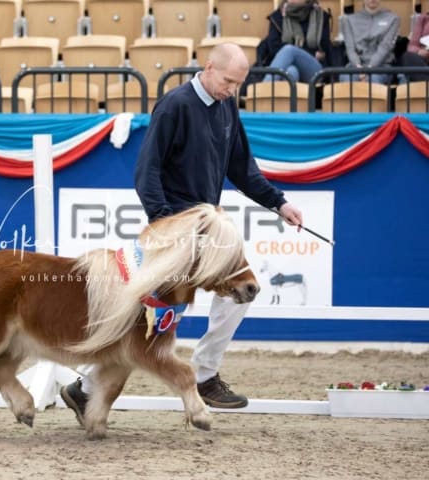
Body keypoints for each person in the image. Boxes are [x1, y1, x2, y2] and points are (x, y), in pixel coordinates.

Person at [60, 43, 303, 423]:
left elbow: (241, 168)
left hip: (206, 228)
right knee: (149, 313)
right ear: (208, 69)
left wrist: (279, 203)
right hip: (174, 227)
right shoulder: (175, 105)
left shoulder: (227, 107)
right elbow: (147, 171)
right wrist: (166, 226)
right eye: (228, 81)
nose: (232, 90)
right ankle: (94, 388)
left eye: (238, 84)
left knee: (240, 290)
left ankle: (197, 375)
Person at [262, 0, 332, 84]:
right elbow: (274, 48)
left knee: (289, 50)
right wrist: (309, 52)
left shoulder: (321, 16)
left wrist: (296, 52)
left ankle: (262, 90)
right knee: (291, 72)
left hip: (314, 69)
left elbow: (324, 47)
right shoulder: (278, 16)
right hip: (287, 65)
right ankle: (281, 96)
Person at [340, 0, 400, 84]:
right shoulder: (348, 20)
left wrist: (369, 69)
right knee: (346, 78)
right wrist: (359, 68)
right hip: (354, 67)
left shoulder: (393, 19)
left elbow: (385, 47)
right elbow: (350, 49)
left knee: (373, 80)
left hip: (381, 68)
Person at [399, 11, 429, 81]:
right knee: (408, 56)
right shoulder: (423, 18)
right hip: (424, 61)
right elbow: (412, 46)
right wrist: (418, 51)